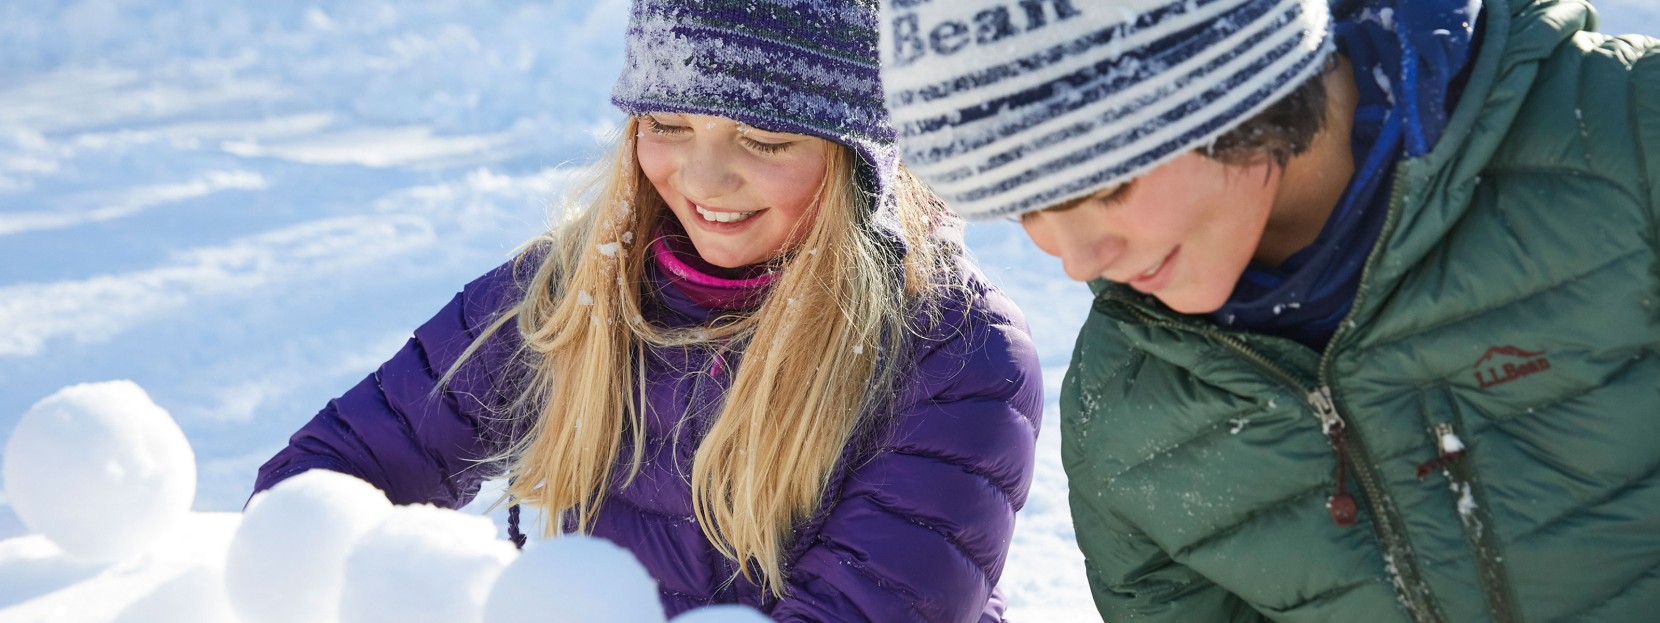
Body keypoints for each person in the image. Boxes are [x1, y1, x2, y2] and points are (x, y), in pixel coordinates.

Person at [254, 1, 1044, 620]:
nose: (703, 178)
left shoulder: (954, 352)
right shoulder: (577, 291)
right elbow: (311, 496)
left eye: (763, 140)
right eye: (666, 125)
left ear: (861, 163)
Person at [880, 0, 1660, 620]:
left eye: (1105, 188)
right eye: (1026, 213)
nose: (1078, 260)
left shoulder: (1630, 144)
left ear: (1243, 88)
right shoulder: (1127, 412)